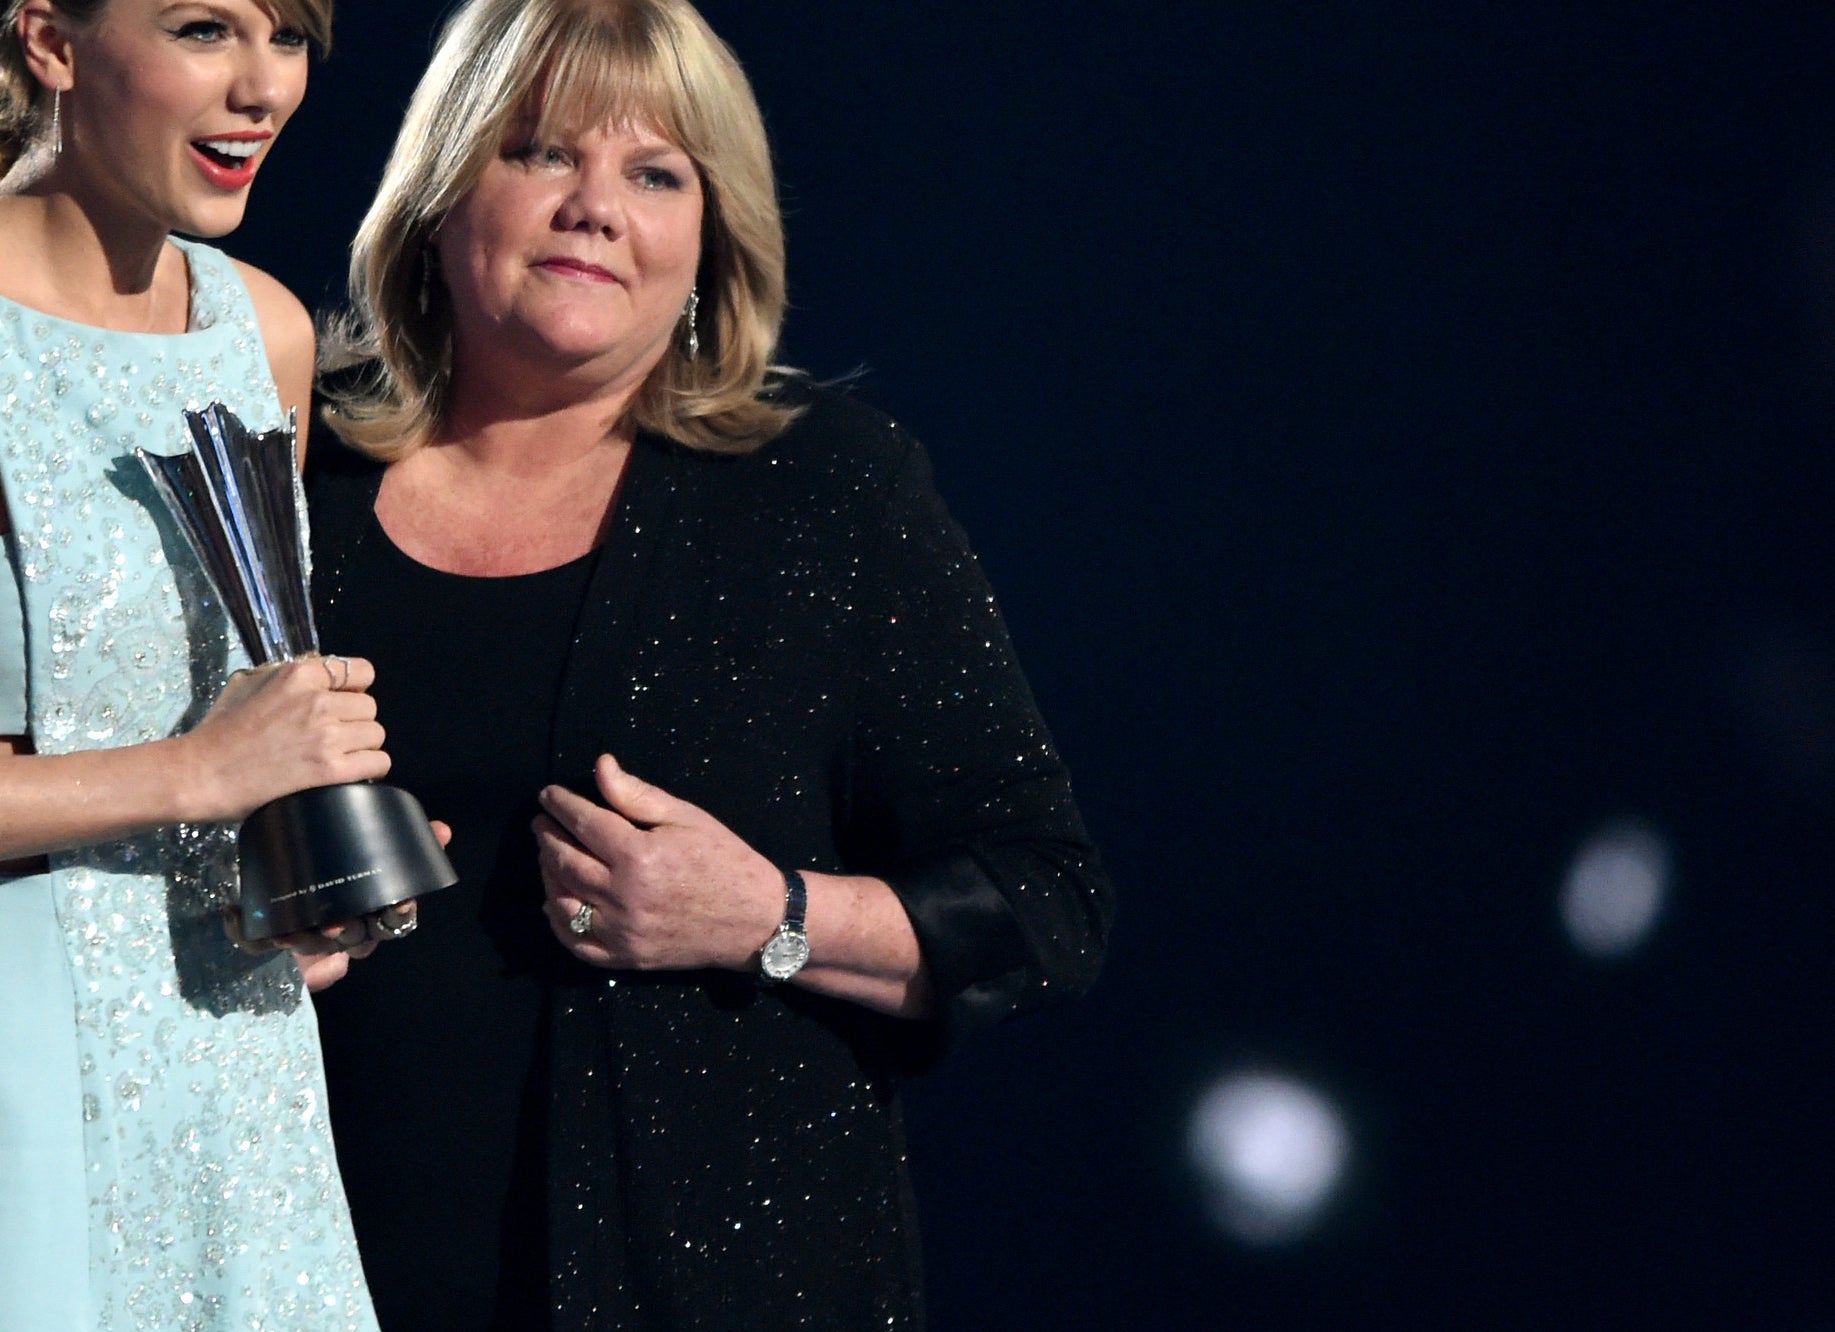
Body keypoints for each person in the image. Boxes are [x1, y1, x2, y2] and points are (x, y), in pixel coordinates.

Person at [306, 0, 1114, 1327]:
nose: (594, 208)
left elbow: (1048, 902)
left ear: (710, 235)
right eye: (540, 153)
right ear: (443, 192)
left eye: (655, 173)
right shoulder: (297, 466)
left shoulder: (826, 492)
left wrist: (767, 916)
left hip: (711, 1282)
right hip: (304, 1266)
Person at [0, 2, 395, 1328]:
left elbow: (235, 720)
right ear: (50, 41)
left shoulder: (264, 336)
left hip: (235, 1061)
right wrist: (203, 772)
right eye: (202, 26)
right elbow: (197, 758)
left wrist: (293, 868)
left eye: (287, 35)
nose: (261, 88)